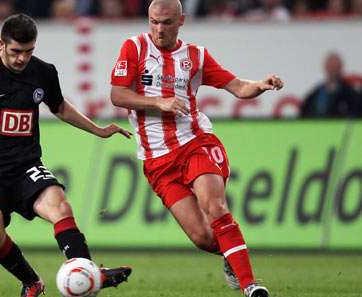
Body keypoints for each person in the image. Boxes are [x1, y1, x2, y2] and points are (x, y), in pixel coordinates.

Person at [0, 13, 132, 297]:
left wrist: (98, 130)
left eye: (28, 51)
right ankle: (32, 281)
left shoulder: (43, 72)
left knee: (60, 207)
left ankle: (87, 271)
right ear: (1, 44)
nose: (22, 59)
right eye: (16, 51)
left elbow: (60, 107)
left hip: (25, 165)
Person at [109, 1, 283, 297]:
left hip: (194, 142)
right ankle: (231, 253)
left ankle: (250, 285)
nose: (159, 29)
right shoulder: (134, 48)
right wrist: (158, 102)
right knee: (203, 236)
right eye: (153, 22)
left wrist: (260, 84)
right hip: (157, 160)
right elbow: (117, 94)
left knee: (215, 207)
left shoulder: (195, 56)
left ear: (181, 21)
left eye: (166, 22)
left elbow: (238, 87)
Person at [301, 52, 358, 118]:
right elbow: (304, 114)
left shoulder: (351, 94)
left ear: (341, 67)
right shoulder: (315, 94)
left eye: (336, 66)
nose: (333, 70)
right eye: (331, 66)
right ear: (325, 67)